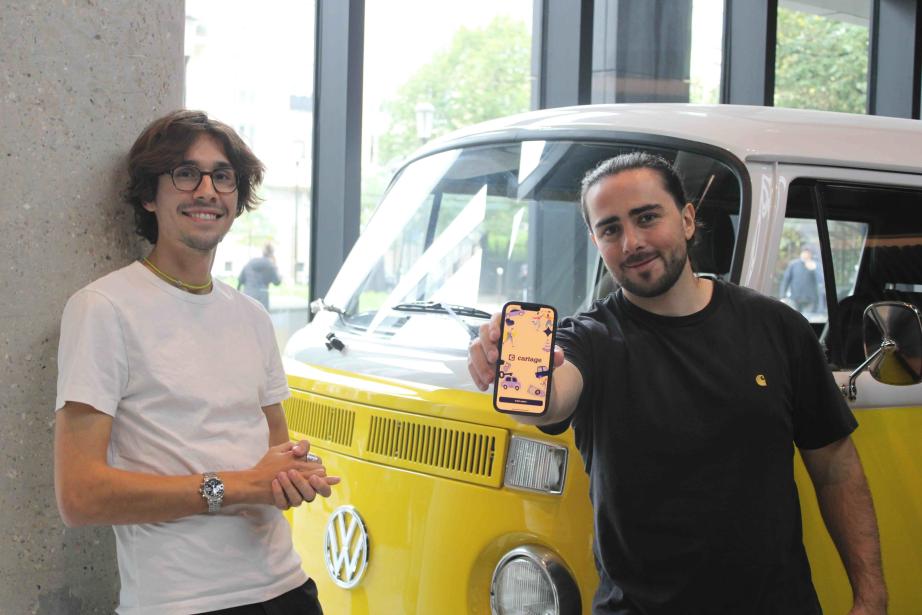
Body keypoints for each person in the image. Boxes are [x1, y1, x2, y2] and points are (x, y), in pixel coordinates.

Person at [468, 152, 887, 614]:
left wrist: (871, 596)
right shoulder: (590, 339)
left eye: (647, 218)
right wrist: (512, 360)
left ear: (687, 219)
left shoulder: (777, 327)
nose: (632, 242)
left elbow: (834, 465)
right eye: (611, 229)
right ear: (596, 240)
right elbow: (548, 399)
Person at [54, 110, 339, 614]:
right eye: (186, 174)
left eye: (222, 176)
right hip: (181, 602)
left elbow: (275, 456)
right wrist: (233, 486)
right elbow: (80, 495)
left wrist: (296, 475)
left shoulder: (252, 318)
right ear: (149, 195)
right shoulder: (103, 308)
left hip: (287, 589)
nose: (207, 190)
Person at [238, 243, 282, 309]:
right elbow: (277, 282)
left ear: (263, 251)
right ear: (272, 253)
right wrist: (275, 265)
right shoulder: (270, 265)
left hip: (248, 295)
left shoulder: (250, 262)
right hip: (262, 298)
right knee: (262, 318)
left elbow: (240, 281)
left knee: (247, 317)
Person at [780, 247, 821, 313]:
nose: (806, 255)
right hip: (795, 298)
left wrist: (814, 269)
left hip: (810, 299)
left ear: (811, 255)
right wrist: (782, 296)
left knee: (807, 319)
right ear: (801, 253)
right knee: (795, 318)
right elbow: (786, 281)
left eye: (808, 253)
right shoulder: (793, 264)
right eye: (804, 253)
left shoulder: (816, 265)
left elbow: (821, 280)